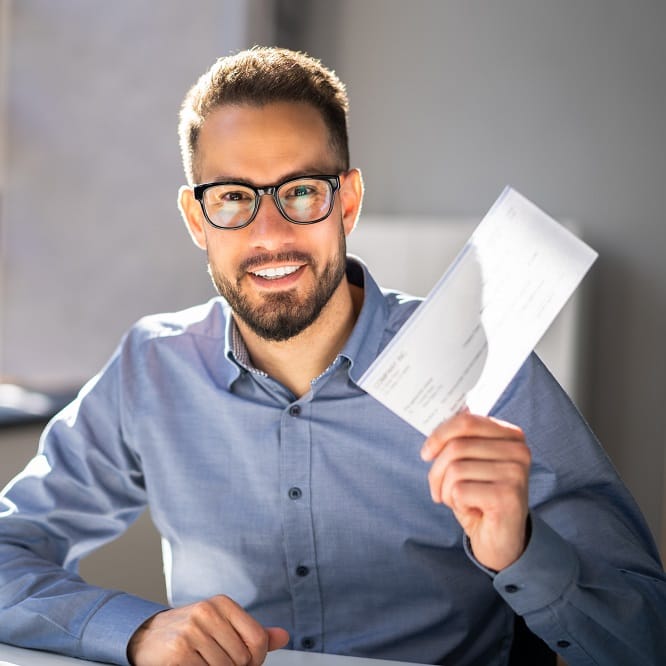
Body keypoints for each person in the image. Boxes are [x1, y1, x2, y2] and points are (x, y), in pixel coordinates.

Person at [0, 46, 664, 666]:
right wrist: (135, 629)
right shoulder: (151, 369)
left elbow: (645, 637)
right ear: (196, 219)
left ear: (346, 200)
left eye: (301, 192)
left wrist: (519, 549)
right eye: (233, 198)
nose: (270, 235)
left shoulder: (489, 370)